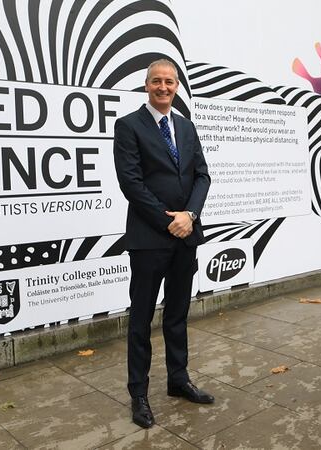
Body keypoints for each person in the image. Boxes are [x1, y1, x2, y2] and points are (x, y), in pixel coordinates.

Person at [113, 59, 213, 429]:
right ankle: (139, 394)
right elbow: (131, 182)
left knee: (177, 314)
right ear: (147, 85)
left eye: (169, 81)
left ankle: (178, 379)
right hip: (149, 239)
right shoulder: (128, 126)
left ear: (176, 86)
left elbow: (202, 175)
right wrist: (170, 220)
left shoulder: (186, 127)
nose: (163, 87)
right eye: (157, 81)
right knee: (141, 318)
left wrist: (191, 215)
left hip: (186, 237)